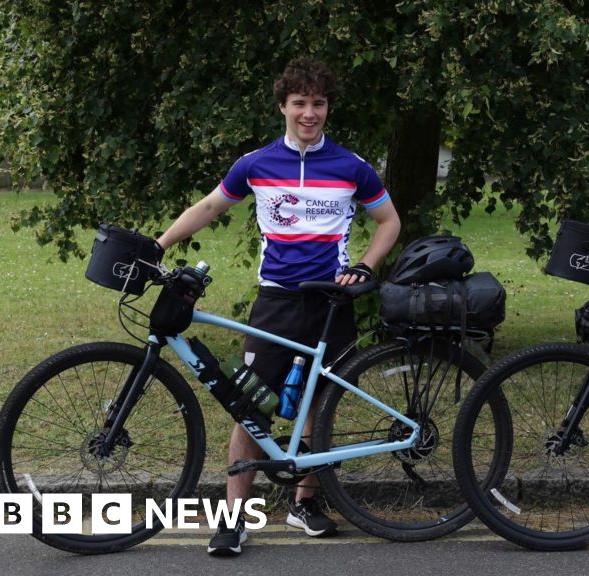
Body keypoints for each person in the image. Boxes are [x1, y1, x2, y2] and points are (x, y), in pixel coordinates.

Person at [156, 58, 400, 556]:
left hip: (332, 302)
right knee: (250, 407)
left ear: (327, 108)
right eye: (300, 104)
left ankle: (305, 502)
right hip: (277, 300)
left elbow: (389, 222)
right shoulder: (257, 163)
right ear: (283, 107)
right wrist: (158, 246)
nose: (309, 113)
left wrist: (367, 267)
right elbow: (209, 207)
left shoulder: (353, 166)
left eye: (318, 104)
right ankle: (233, 519)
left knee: (318, 405)